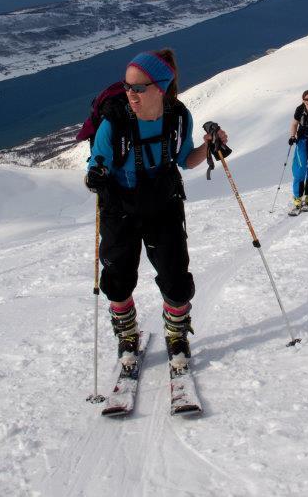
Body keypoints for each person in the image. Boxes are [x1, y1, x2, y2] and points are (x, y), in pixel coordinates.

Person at [84, 48, 228, 369]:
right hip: (119, 204)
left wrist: (209, 147)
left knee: (176, 277)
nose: (130, 94)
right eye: (127, 86)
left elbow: (185, 159)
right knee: (118, 278)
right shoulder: (115, 120)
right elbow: (98, 161)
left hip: (163, 201)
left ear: (160, 87)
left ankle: (176, 335)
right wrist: (95, 174)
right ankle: (127, 334)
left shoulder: (178, 116)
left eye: (138, 88)